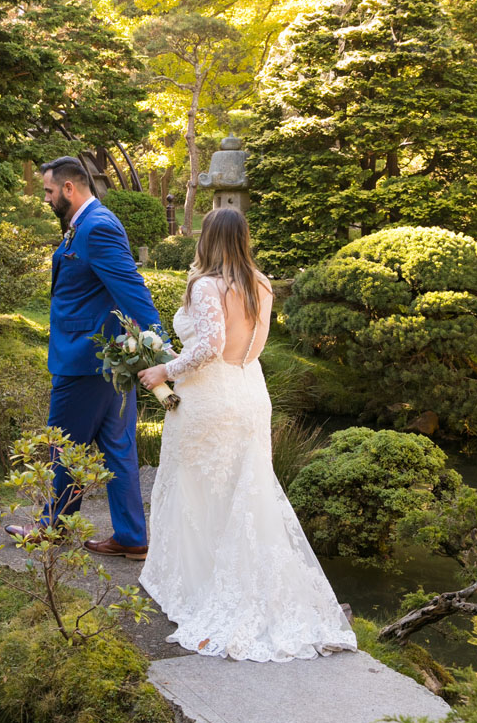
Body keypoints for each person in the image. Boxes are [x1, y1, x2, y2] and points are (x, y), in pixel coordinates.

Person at [137, 207, 357, 662]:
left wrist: (164, 368)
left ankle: (203, 584)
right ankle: (246, 580)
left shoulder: (206, 285)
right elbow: (248, 349)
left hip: (208, 400)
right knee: (243, 490)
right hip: (249, 392)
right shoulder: (261, 283)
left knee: (197, 489)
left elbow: (209, 348)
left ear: (208, 239)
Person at [5, 156, 161, 559]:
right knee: (118, 449)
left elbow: (131, 287)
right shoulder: (86, 225)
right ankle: (131, 536)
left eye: (48, 191)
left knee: (63, 447)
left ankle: (50, 528)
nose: (46, 198)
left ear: (69, 189)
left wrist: (159, 343)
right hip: (106, 359)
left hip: (86, 361)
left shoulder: (98, 227)